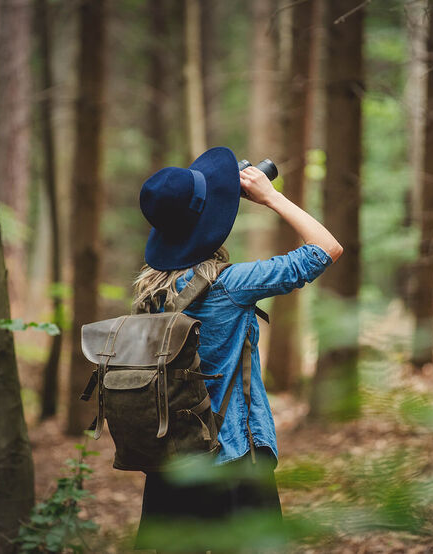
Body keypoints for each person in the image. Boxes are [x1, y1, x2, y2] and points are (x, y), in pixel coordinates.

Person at [132, 146, 342, 549]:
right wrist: (270, 197)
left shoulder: (150, 291)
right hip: (231, 458)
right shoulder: (232, 285)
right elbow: (326, 248)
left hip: (169, 462)